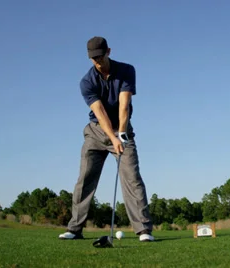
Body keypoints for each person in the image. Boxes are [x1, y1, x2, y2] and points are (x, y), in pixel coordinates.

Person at [58, 36, 154, 242]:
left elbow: (124, 105)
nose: (97, 61)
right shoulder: (86, 82)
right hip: (96, 132)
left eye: (100, 56)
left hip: (122, 128)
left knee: (132, 178)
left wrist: (121, 134)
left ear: (109, 51)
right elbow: (99, 112)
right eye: (93, 58)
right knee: (85, 179)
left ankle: (144, 230)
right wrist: (112, 137)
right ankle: (74, 229)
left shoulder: (127, 70)